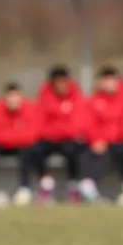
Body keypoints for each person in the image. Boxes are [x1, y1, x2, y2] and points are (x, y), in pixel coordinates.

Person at [0, 82, 39, 206]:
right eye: (10, 96)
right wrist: (15, 137)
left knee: (26, 153)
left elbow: (31, 135)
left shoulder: (29, 109)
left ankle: (24, 189)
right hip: (2, 146)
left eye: (16, 96)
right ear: (6, 97)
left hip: (21, 146)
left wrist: (11, 137)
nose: (13, 100)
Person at [82, 66, 123, 204]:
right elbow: (89, 123)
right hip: (101, 142)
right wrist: (95, 140)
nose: (108, 84)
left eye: (111, 80)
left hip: (121, 140)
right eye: (104, 80)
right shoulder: (95, 100)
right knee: (87, 151)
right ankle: (88, 186)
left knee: (121, 150)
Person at [32, 66, 86, 201]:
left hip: (69, 139)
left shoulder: (77, 97)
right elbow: (39, 122)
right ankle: (46, 185)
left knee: (73, 150)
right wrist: (59, 129)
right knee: (35, 149)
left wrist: (59, 128)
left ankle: (73, 186)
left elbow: (78, 124)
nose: (61, 85)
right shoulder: (44, 96)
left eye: (64, 81)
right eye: (58, 82)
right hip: (49, 138)